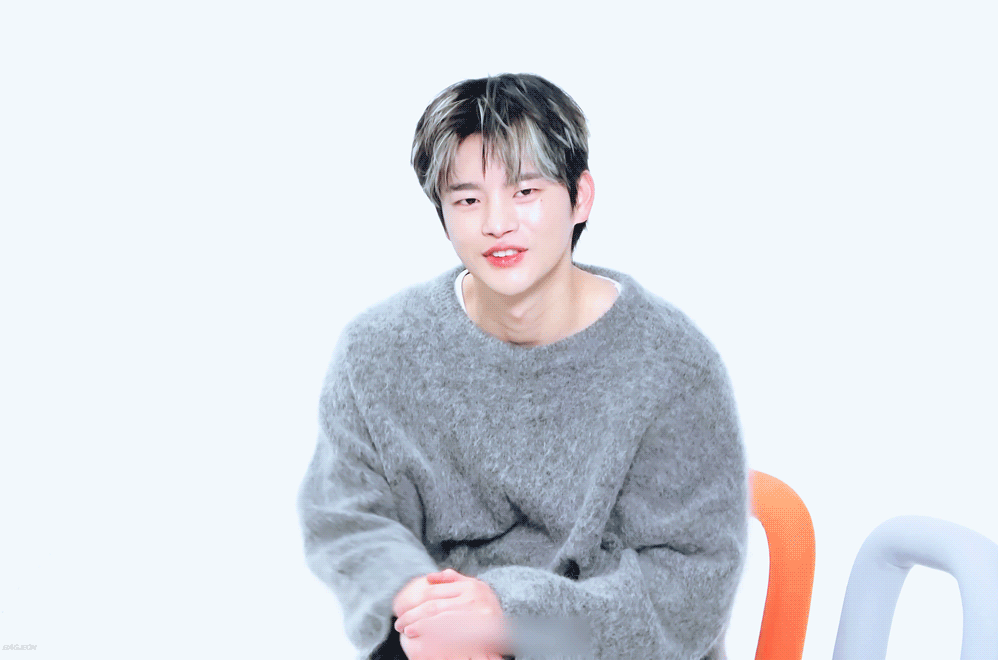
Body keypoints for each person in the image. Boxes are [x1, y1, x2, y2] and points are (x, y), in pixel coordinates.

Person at [297, 73, 748, 660]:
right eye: (467, 200)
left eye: (526, 191)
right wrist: (426, 609)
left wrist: (510, 619)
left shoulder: (672, 364)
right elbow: (347, 516)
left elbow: (691, 585)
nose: (497, 222)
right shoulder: (378, 351)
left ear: (580, 197)